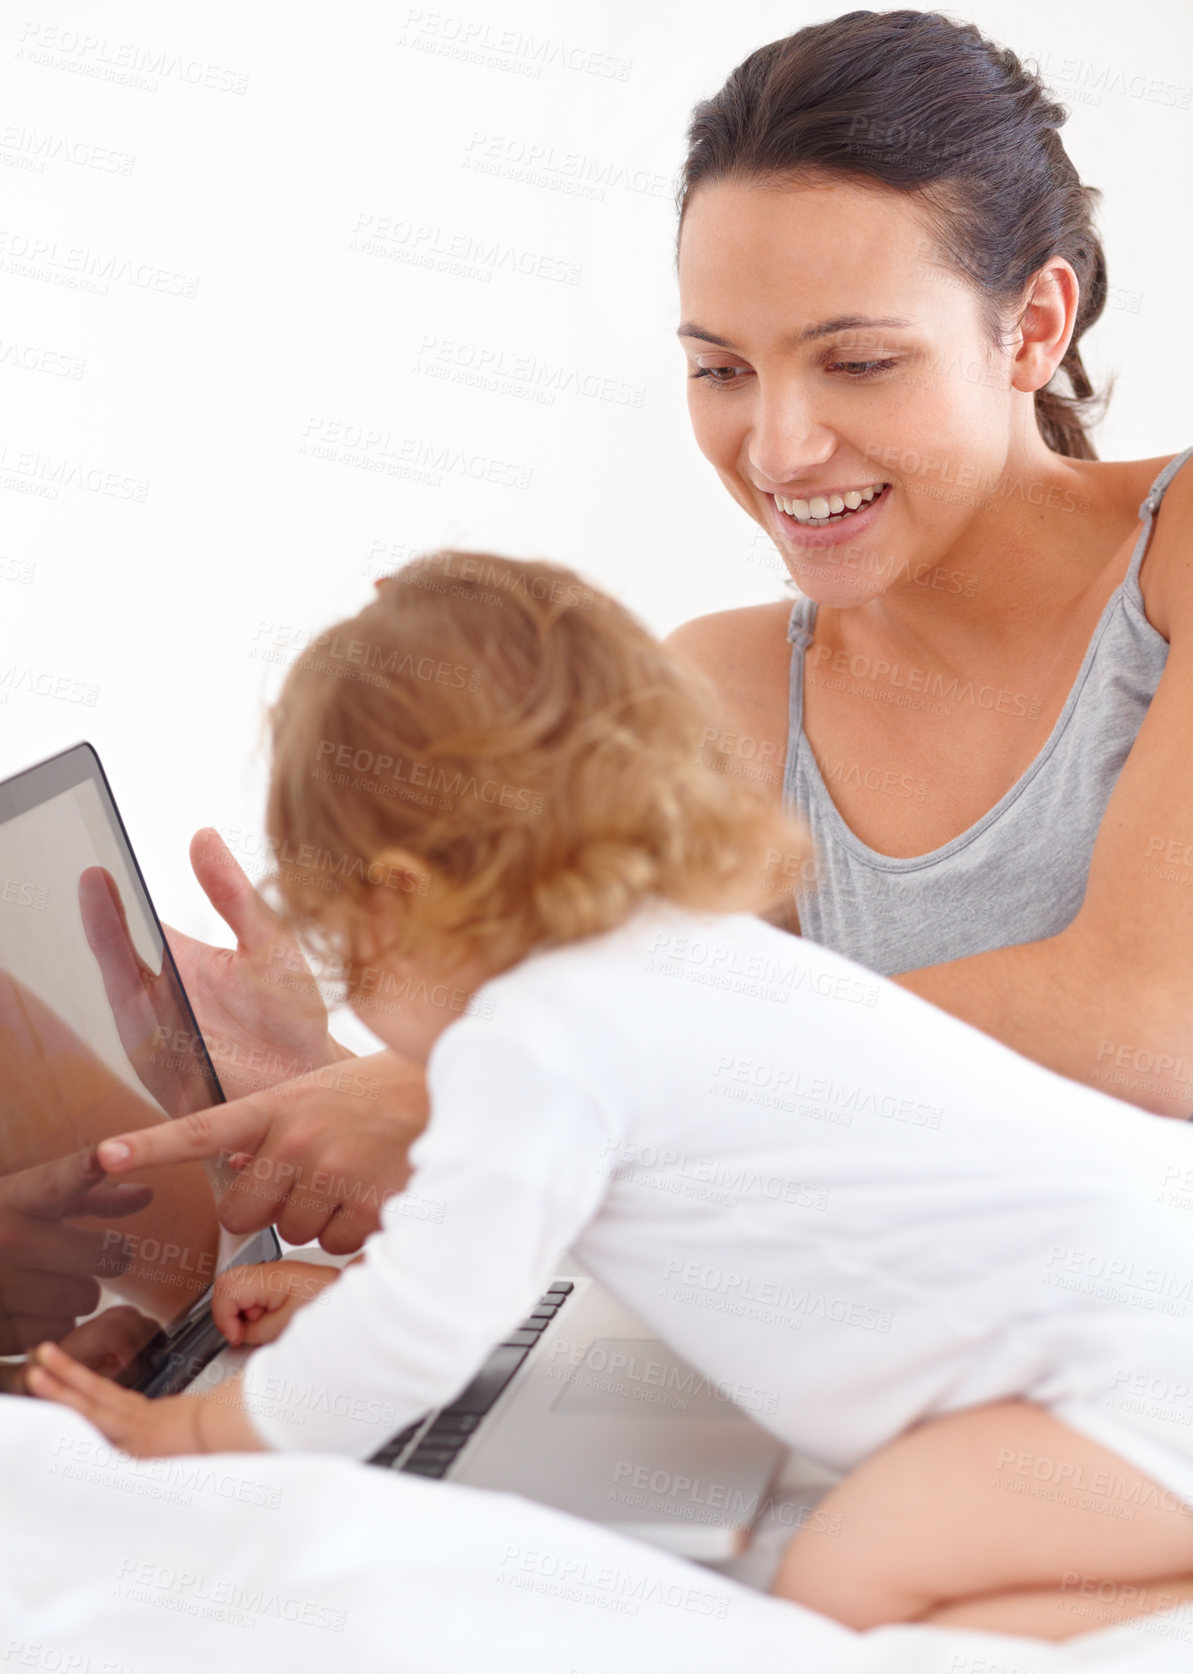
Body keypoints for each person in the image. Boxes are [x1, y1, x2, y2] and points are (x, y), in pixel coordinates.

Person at [28, 554, 1193, 1642]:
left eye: (340, 945)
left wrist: (191, 1428)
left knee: (845, 1581)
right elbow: (490, 1267)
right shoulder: (678, 956)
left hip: (1134, 1391)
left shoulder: (528, 1040)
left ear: (395, 899)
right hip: (1152, 1314)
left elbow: (426, 1327)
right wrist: (361, 1310)